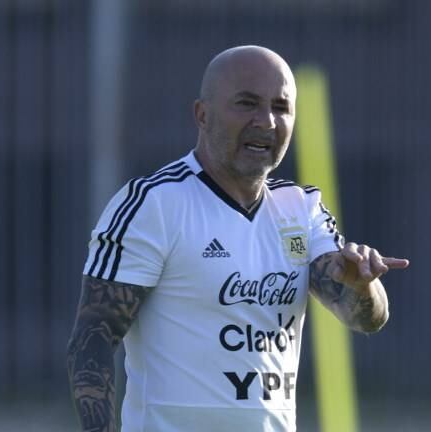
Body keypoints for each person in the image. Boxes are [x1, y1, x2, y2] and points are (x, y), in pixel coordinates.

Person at [67, 45, 409, 432]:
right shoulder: (153, 204)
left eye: (281, 107)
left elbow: (365, 319)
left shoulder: (303, 208)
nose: (266, 121)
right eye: (247, 104)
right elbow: (92, 341)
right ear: (202, 114)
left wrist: (363, 285)